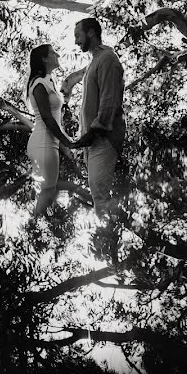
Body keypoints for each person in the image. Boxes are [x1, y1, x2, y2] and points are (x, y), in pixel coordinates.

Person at [73, 18, 125, 221]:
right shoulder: (94, 61)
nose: (76, 42)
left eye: (78, 36)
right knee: (98, 194)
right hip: (92, 140)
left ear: (91, 33)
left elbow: (109, 101)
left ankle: (108, 241)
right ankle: (109, 239)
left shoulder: (107, 59)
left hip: (103, 138)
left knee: (99, 195)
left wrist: (93, 132)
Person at [25, 44, 76, 216]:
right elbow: (47, 118)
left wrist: (64, 139)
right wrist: (66, 140)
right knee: (47, 190)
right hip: (43, 143)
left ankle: (38, 225)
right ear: (45, 59)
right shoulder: (39, 84)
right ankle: (34, 226)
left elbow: (55, 116)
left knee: (49, 190)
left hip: (49, 143)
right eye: (54, 52)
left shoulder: (49, 81)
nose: (58, 54)